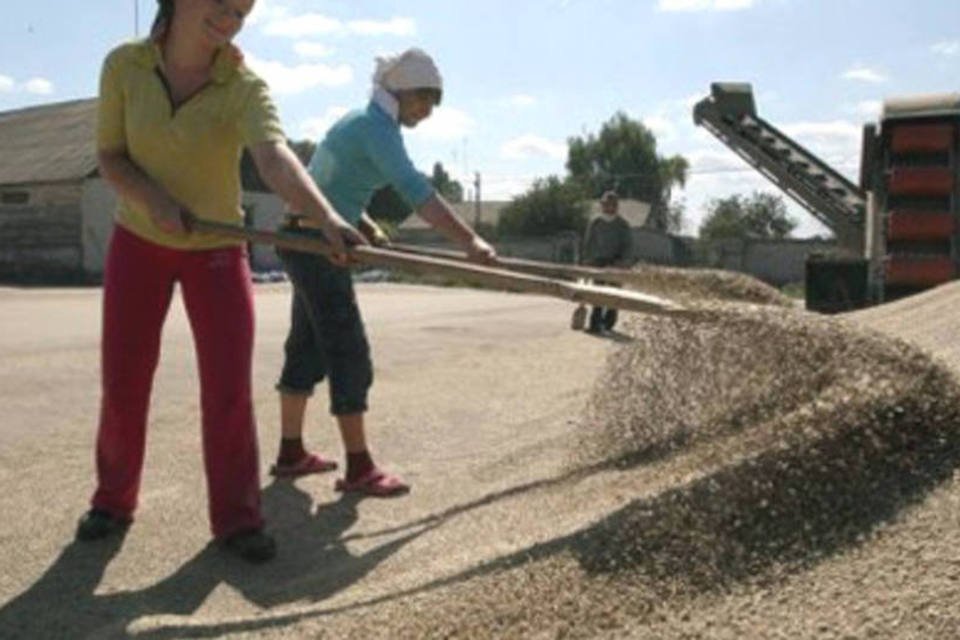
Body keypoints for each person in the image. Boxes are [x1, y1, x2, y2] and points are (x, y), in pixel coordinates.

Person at [76, 0, 363, 563]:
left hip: (217, 249)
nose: (230, 20)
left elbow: (275, 158)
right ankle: (112, 501)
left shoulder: (242, 85)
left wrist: (326, 218)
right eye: (222, 4)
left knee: (229, 388)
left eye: (242, 12)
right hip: (139, 242)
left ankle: (236, 518)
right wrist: (155, 199)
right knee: (125, 378)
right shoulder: (124, 67)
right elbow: (110, 158)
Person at [271, 48, 497, 495]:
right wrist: (469, 240)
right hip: (317, 244)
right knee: (347, 350)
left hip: (302, 236)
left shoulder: (358, 122)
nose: (428, 112)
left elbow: (331, 179)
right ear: (401, 91)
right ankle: (359, 468)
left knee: (307, 345)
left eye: (433, 103)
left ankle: (291, 452)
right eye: (424, 101)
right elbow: (418, 192)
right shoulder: (378, 130)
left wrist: (366, 223)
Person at [580, 190, 634, 333]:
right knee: (597, 294)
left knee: (613, 295)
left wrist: (623, 263)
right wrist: (586, 260)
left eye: (612, 205)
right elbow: (589, 243)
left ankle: (608, 323)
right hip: (598, 261)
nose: (609, 207)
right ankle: (595, 324)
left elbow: (627, 246)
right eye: (606, 204)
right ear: (602, 205)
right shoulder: (596, 222)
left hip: (616, 262)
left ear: (616, 206)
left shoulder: (622, 224)